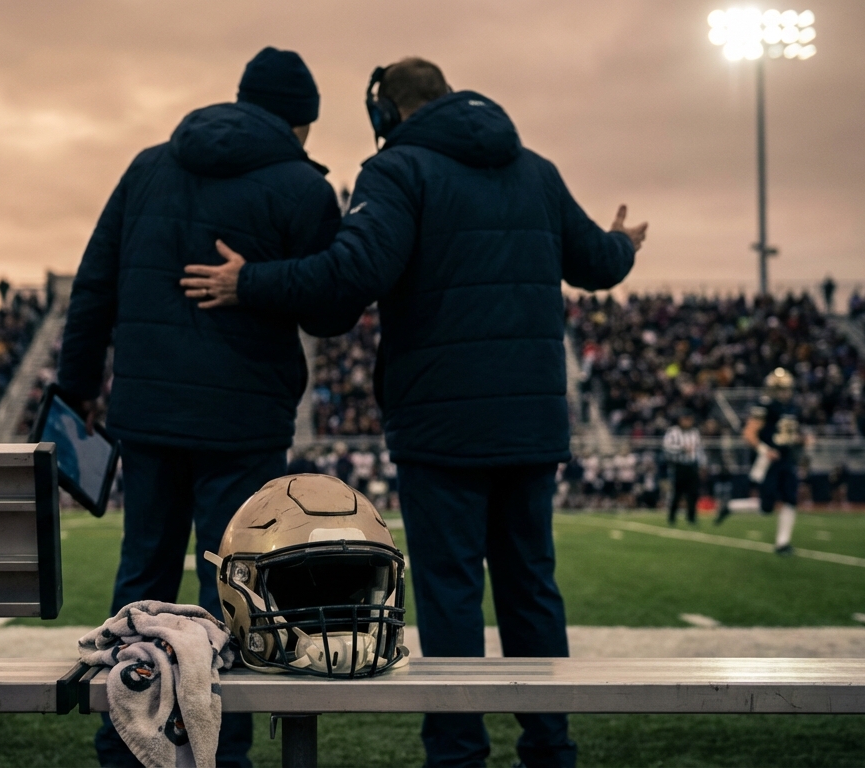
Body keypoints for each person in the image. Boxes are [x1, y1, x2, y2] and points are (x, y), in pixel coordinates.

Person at [182, 57, 644, 768]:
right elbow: (596, 265)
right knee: (531, 587)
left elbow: (353, 273)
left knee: (451, 591)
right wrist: (624, 245)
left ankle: (458, 752)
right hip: (529, 422)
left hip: (442, 421)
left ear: (387, 114)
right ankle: (551, 748)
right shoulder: (537, 169)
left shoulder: (401, 172)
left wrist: (253, 281)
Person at [57, 46, 355, 767]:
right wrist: (263, 282)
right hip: (243, 421)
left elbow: (94, 286)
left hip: (147, 414)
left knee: (142, 586)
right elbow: (334, 310)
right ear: (302, 125)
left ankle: (125, 748)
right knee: (236, 591)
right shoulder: (300, 186)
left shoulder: (148, 165)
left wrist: (75, 395)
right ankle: (223, 753)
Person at [725, 368, 802, 555]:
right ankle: (730, 506)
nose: (784, 392)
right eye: (780, 388)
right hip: (768, 460)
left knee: (790, 498)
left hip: (787, 458)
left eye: (786, 388)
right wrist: (765, 450)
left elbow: (788, 435)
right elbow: (748, 433)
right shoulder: (764, 405)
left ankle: (783, 543)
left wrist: (801, 440)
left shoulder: (791, 407)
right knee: (766, 506)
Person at [663, 414, 703, 524]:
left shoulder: (695, 432)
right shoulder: (673, 432)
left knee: (693, 493)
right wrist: (681, 449)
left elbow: (699, 449)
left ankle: (691, 517)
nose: (687, 422)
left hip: (692, 465)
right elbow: (667, 447)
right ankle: (672, 517)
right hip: (679, 465)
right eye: (685, 419)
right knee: (677, 493)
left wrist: (702, 464)